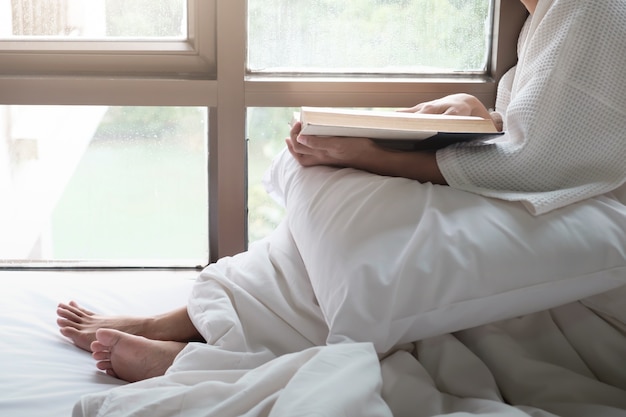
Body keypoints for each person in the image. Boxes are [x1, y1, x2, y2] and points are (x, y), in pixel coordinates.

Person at [57, 0, 626, 384]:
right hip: (560, 186)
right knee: (339, 217)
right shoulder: (552, 13)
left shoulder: (589, 11)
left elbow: (541, 161)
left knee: (364, 224)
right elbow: (565, 129)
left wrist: (367, 153)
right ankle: (191, 324)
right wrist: (474, 111)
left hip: (584, 210)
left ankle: (211, 356)